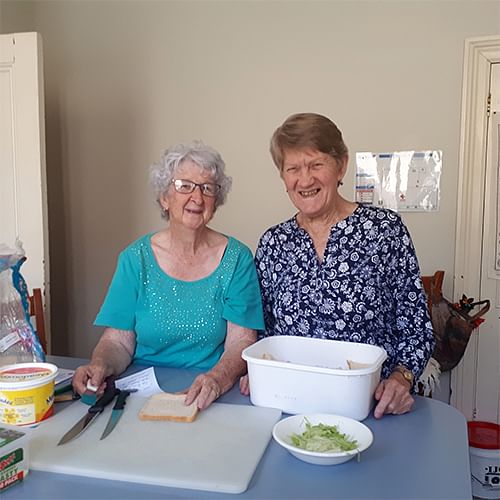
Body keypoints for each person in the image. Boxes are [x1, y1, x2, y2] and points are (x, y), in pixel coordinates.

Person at [241, 113, 435, 419]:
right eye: (293, 169)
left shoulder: (384, 231)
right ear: (283, 178)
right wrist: (257, 370)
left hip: (370, 409)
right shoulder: (273, 243)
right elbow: (261, 331)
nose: (305, 180)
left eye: (316, 164)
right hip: (288, 406)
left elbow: (417, 328)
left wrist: (402, 378)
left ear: (341, 165)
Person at [73, 141, 264, 410]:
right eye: (184, 186)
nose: (197, 198)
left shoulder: (237, 258)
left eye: (207, 188)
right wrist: (100, 366)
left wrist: (217, 378)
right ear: (164, 197)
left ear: (216, 201)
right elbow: (118, 341)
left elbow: (241, 341)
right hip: (139, 394)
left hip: (208, 392)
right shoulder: (135, 258)